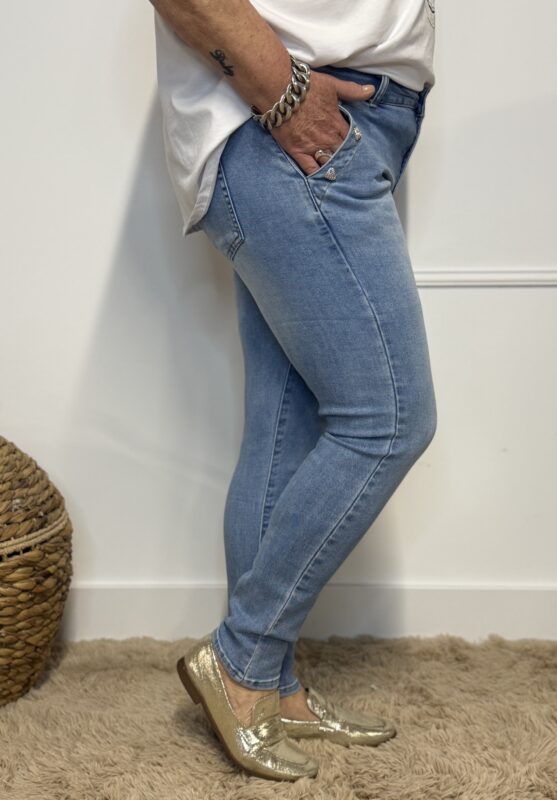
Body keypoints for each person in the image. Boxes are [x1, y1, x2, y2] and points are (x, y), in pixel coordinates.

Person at [150, 0, 437, 782]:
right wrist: (283, 93)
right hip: (289, 126)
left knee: (287, 426)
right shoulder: (289, 111)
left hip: (314, 130)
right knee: (389, 420)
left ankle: (272, 691)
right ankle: (240, 660)